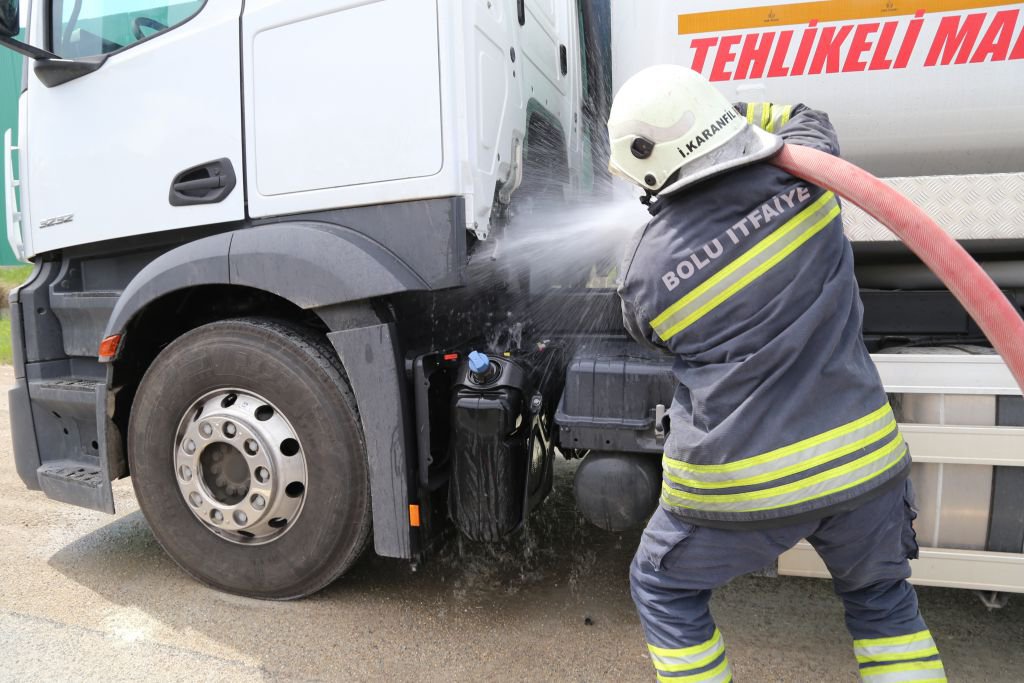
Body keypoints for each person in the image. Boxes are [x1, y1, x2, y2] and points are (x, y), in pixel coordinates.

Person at [609, 65, 946, 683]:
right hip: (864, 467)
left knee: (662, 588)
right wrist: (733, 115)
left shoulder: (644, 268)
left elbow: (648, 334)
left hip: (740, 484)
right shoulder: (811, 177)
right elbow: (808, 116)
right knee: (883, 604)